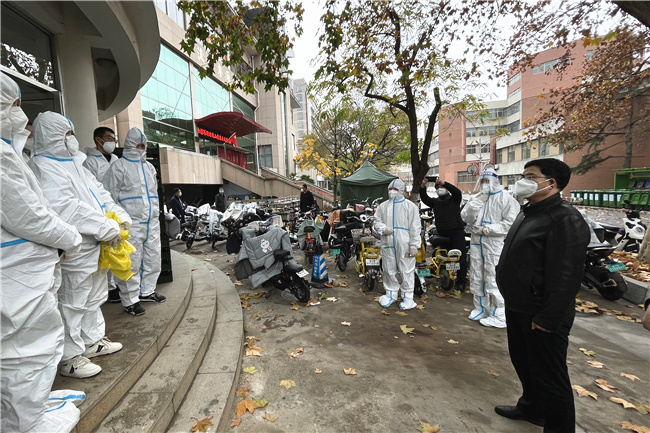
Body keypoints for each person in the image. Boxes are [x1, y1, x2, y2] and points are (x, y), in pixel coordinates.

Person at [1, 74, 85, 433]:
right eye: (14, 106)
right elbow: (29, 215)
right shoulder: (4, 157)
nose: (23, 116)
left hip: (25, 265)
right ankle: (26, 424)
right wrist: (70, 238)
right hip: (17, 271)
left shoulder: (11, 153)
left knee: (25, 347)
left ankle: (25, 413)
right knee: (27, 348)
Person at [29, 111, 128, 379]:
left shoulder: (75, 163)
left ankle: (92, 341)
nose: (72, 139)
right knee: (72, 301)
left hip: (95, 243)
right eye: (67, 134)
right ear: (52, 136)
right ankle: (70, 358)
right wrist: (105, 226)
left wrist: (118, 216)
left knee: (93, 296)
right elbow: (66, 207)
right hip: (75, 245)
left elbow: (100, 193)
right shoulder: (43, 166)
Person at [495, 158, 590, 432]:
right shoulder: (529, 212)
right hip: (519, 305)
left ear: (552, 183)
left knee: (550, 376)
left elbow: (567, 275)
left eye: (530, 176)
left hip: (541, 312)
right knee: (524, 363)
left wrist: (549, 317)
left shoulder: (564, 218)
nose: (523, 181)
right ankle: (532, 408)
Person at [103, 127, 165, 315]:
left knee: (153, 258)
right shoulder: (119, 166)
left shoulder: (149, 167)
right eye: (137, 145)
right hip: (131, 224)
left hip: (151, 222)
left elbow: (153, 194)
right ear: (129, 145)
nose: (140, 148)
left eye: (143, 145)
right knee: (131, 262)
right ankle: (130, 300)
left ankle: (147, 291)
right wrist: (116, 222)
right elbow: (109, 195)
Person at [461, 168, 519, 328]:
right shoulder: (477, 198)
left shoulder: (506, 199)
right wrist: (477, 203)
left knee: (493, 278)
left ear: (495, 181)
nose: (485, 184)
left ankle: (499, 315)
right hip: (476, 243)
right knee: (477, 276)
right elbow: (465, 217)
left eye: (488, 181)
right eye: (483, 181)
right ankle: (481, 308)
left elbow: (510, 223)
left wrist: (487, 229)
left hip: (494, 245)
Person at [373, 179, 421, 310]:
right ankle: (390, 294)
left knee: (407, 270)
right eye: (390, 189)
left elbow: (415, 226)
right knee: (388, 269)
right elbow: (376, 221)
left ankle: (408, 297)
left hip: (404, 243)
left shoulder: (410, 206)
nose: (392, 192)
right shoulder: (383, 206)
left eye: (395, 189)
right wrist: (383, 228)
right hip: (388, 242)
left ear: (401, 191)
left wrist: (414, 244)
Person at [419, 177, 468, 291]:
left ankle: (461, 282)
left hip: (456, 232)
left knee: (460, 258)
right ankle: (443, 273)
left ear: (446, 189)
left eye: (441, 187)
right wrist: (423, 186)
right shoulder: (435, 202)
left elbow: (457, 192)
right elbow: (425, 198)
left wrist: (445, 183)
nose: (440, 189)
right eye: (438, 187)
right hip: (442, 233)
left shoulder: (454, 199)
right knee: (444, 256)